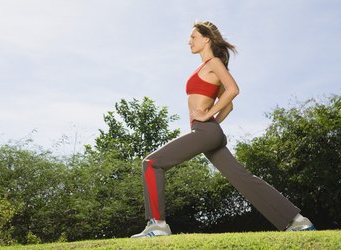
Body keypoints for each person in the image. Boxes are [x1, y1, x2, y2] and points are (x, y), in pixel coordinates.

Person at [131, 21, 315, 238]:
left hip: (205, 131)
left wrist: (208, 117)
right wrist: (213, 124)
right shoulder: (205, 67)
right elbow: (228, 105)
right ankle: (298, 222)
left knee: (152, 163)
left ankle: (157, 225)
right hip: (209, 132)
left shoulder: (214, 63)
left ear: (206, 38)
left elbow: (233, 91)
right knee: (243, 178)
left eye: (193, 37)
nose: (189, 41)